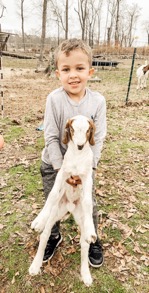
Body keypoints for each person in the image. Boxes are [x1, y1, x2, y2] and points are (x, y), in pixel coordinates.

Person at [40, 38, 107, 267]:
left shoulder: (98, 102)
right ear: (58, 73)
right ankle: (53, 235)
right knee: (54, 198)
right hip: (55, 165)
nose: (73, 75)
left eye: (79, 68)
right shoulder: (54, 99)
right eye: (66, 69)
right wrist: (62, 169)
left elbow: (98, 139)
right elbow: (50, 135)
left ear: (90, 71)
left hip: (84, 168)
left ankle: (92, 236)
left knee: (88, 202)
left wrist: (89, 169)